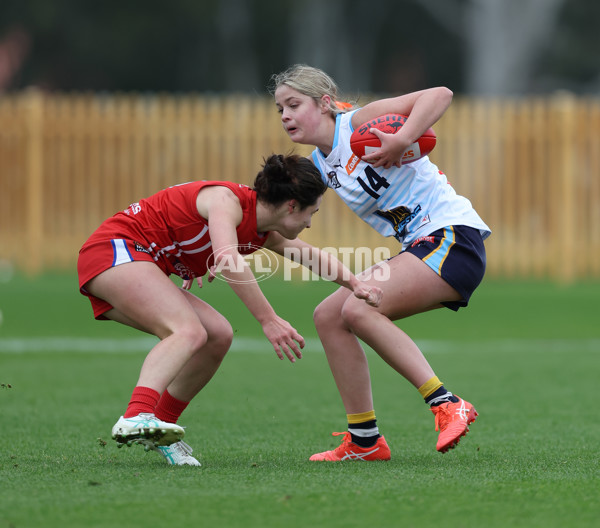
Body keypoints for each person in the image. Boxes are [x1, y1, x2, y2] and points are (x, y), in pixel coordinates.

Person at [77, 153, 383, 466]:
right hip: (115, 251)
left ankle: (159, 426)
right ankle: (136, 415)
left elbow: (309, 256)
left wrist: (354, 284)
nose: (309, 222)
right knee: (187, 331)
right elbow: (226, 257)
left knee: (217, 334)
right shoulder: (227, 201)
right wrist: (268, 319)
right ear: (292, 205)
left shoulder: (260, 227)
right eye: (311, 212)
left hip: (135, 260)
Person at [270, 64, 491, 461]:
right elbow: (280, 211)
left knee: (358, 306)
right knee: (329, 316)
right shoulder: (319, 164)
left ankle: (446, 403)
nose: (285, 115)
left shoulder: (358, 122)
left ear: (324, 103)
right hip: (420, 245)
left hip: (451, 237)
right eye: (279, 109)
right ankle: (365, 441)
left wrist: (402, 139)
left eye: (293, 104)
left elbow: (440, 92)